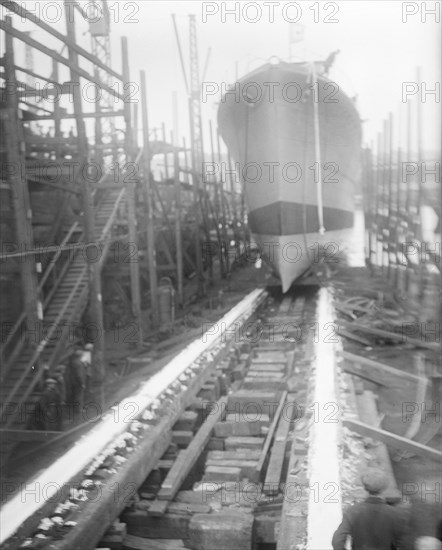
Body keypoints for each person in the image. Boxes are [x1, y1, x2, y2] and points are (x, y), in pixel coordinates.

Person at [332, 468, 407, 550]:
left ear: (365, 487)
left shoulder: (353, 511)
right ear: (384, 488)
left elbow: (337, 541)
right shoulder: (396, 514)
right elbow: (404, 544)